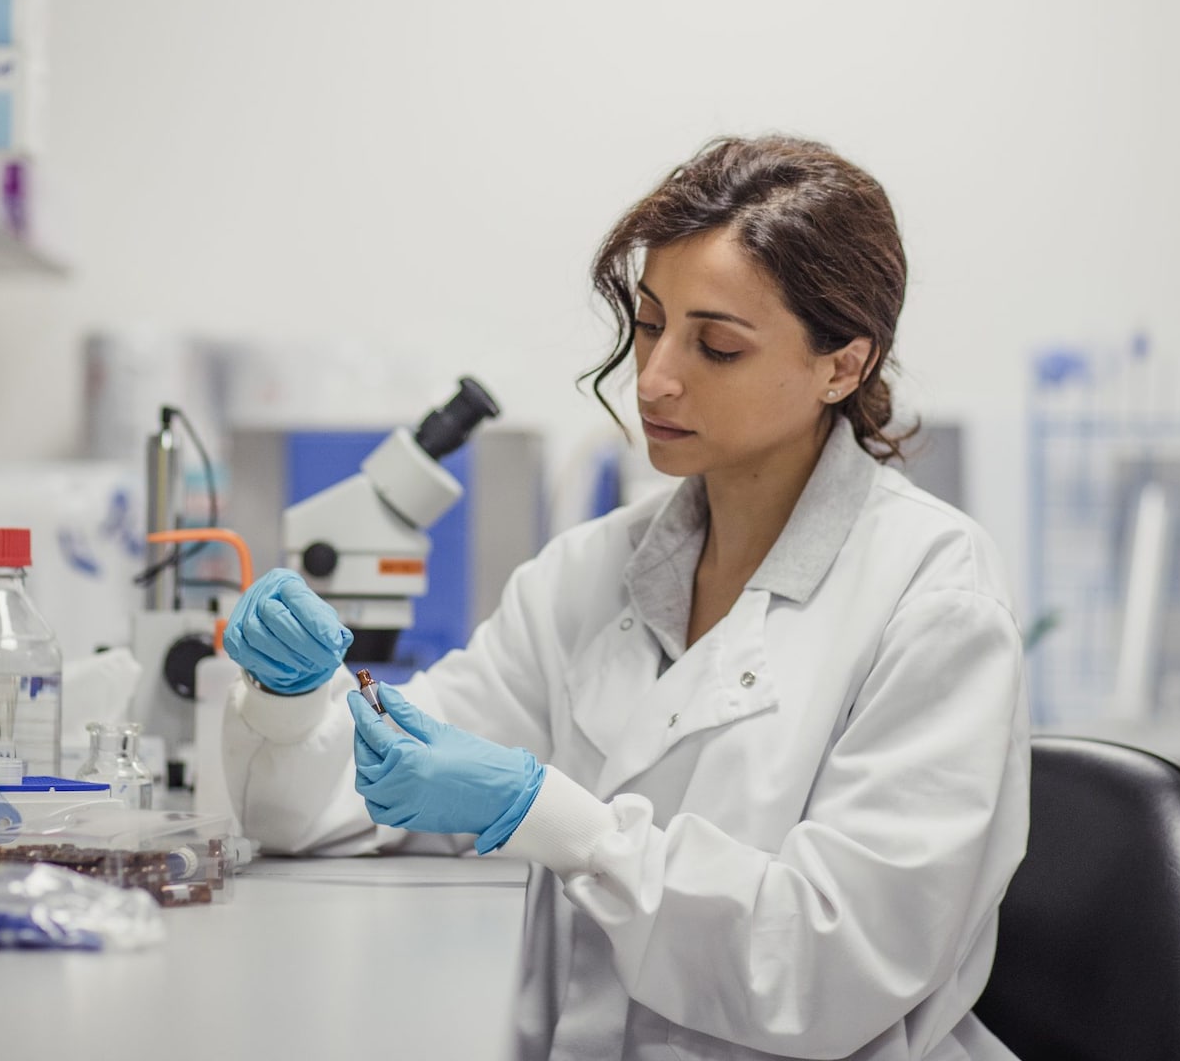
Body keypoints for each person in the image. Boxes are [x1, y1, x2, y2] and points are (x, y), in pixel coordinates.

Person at [220, 136, 1028, 1061]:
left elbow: (823, 967)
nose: (654, 379)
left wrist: (559, 822)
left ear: (842, 366)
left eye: (716, 346)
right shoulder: (590, 573)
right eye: (649, 326)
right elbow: (321, 811)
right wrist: (286, 706)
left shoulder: (935, 596)